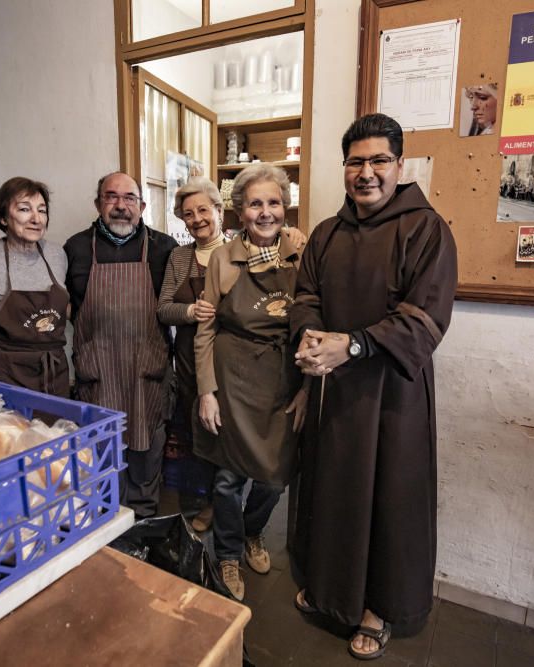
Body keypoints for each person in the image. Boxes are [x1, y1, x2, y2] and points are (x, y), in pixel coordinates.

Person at [290, 113, 457, 660]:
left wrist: (354, 345)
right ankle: (332, 592)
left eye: (379, 160)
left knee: (388, 500)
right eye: (356, 162)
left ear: (400, 165)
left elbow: (426, 316)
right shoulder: (326, 233)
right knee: (333, 490)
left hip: (393, 395)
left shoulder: (426, 228)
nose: (367, 172)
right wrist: (312, 340)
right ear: (345, 169)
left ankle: (378, 608)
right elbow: (304, 296)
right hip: (334, 393)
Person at [194, 163, 308, 602]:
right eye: (255, 204)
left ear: (285, 206)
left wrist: (305, 388)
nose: (265, 212)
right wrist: (207, 390)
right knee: (226, 479)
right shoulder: (223, 258)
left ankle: (252, 532)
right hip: (232, 378)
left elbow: (315, 325)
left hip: (282, 378)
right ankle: (227, 552)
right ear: (240, 211)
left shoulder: (301, 254)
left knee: (274, 478)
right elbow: (205, 328)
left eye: (274, 202)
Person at [65, 172, 178, 518]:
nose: (120, 206)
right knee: (100, 450)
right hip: (98, 371)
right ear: (98, 203)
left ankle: (142, 519)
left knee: (146, 451)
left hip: (147, 370)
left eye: (129, 198)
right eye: (111, 197)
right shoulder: (75, 248)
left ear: (142, 206)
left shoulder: (164, 248)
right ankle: (105, 523)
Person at [157, 177, 227, 532]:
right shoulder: (179, 257)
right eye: (188, 214)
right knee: (195, 435)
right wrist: (189, 313)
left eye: (203, 210)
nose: (197, 218)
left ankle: (227, 506)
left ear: (219, 210)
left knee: (226, 436)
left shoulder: (237, 251)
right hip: (187, 361)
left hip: (229, 362)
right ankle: (203, 502)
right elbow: (163, 308)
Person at [0, 177, 69, 396]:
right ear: (3, 218)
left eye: (42, 210)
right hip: (5, 372)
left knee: (56, 429)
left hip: (52, 371)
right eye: (25, 209)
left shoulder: (57, 255)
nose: (36, 219)